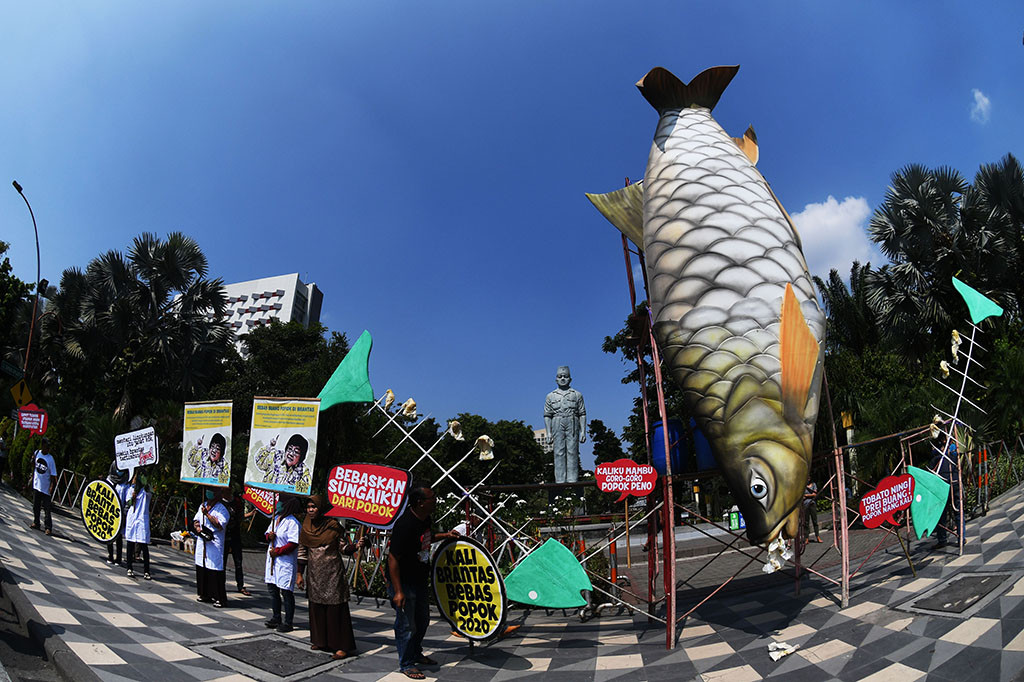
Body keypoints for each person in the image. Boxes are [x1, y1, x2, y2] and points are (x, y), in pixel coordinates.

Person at [387, 485, 460, 680]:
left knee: (422, 621)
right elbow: (393, 558)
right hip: (404, 583)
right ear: (420, 503)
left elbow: (423, 540)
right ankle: (407, 663)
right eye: (432, 498)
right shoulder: (405, 525)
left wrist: (445, 535)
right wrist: (398, 591)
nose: (435, 501)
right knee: (406, 625)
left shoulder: (424, 519)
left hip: (419, 580)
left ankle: (416, 653)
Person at [297, 495, 365, 658]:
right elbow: (302, 552)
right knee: (316, 608)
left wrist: (356, 546)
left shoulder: (333, 526)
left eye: (314, 507)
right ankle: (321, 641)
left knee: (336, 610)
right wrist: (299, 574)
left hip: (333, 573)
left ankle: (341, 646)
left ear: (321, 508)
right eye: (309, 507)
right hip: (314, 575)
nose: (311, 510)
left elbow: (343, 548)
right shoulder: (305, 528)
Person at [265, 496, 302, 633]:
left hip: (284, 561)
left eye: (280, 502)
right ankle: (276, 617)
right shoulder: (275, 519)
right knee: (273, 590)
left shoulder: (292, 522)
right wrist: (270, 536)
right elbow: (267, 533)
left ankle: (288, 622)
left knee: (286, 592)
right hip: (273, 561)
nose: (278, 505)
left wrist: (279, 551)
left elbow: (293, 543)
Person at [544, 366, 587, 484]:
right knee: (558, 452)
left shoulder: (577, 395)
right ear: (556, 379)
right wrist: (548, 432)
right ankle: (560, 481)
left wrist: (583, 431)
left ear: (570, 379)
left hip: (572, 422)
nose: (563, 378)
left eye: (565, 376)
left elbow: (582, 413)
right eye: (560, 376)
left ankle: (573, 481)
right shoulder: (550, 396)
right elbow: (547, 415)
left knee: (572, 451)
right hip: (557, 422)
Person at [193, 488, 229, 607]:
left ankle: (219, 597)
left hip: (214, 542)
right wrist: (197, 527)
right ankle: (204, 594)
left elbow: (219, 525)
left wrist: (207, 514)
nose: (208, 493)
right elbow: (196, 520)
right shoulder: (203, 505)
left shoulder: (222, 509)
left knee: (214, 568)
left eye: (211, 491)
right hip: (202, 540)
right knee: (202, 566)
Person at [930, 440, 965, 547]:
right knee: (957, 512)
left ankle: (942, 539)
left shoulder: (936, 456)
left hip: (942, 486)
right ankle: (961, 538)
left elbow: (931, 471)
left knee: (941, 514)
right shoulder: (953, 452)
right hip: (953, 483)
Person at [223, 484, 253, 596]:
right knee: (222, 562)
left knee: (238, 562)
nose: (229, 489)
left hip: (235, 535)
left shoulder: (236, 501)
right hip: (224, 535)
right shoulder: (219, 502)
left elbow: (240, 516)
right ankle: (221, 584)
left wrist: (249, 514)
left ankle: (240, 585)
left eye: (230, 487)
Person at [125, 472, 152, 580]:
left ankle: (146, 571)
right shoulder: (131, 489)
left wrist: (145, 484)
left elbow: (150, 494)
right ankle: (129, 568)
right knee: (130, 544)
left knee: (144, 546)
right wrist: (133, 497)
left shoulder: (146, 491)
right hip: (132, 519)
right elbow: (128, 502)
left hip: (142, 520)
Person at [30, 438, 57, 535]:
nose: (47, 449)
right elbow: (34, 466)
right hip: (37, 484)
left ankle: (48, 527)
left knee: (47, 509)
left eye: (48, 448)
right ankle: (36, 522)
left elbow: (53, 475)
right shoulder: (37, 453)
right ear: (42, 446)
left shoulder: (50, 459)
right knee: (36, 506)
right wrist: (32, 460)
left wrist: (51, 486)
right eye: (46, 447)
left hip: (45, 488)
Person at [106, 459, 130, 565]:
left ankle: (118, 557)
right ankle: (110, 555)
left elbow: (127, 500)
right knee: (109, 535)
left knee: (118, 537)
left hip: (120, 513)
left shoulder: (125, 484)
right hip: (109, 511)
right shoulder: (109, 480)